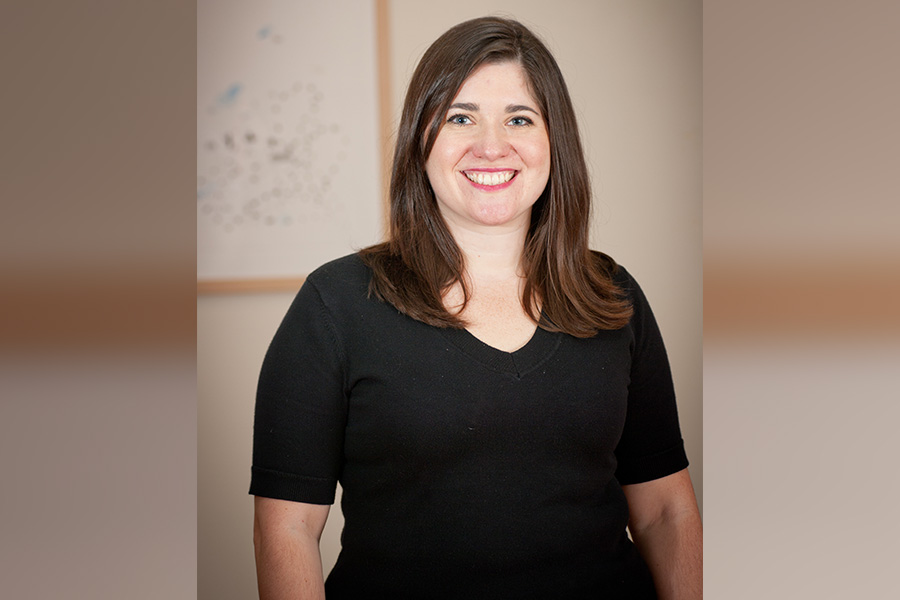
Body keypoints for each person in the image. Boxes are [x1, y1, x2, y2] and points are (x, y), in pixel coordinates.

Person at [251, 16, 701, 599]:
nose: (492, 146)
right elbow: (286, 527)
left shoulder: (613, 296)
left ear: (552, 142)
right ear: (421, 138)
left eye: (519, 118)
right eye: (461, 117)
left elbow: (667, 511)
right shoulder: (335, 305)